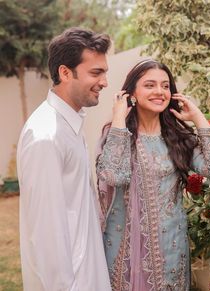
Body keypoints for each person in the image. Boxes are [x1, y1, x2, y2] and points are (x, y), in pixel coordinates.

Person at [96, 59, 210, 291]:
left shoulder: (177, 137)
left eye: (165, 85)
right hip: (124, 248)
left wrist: (198, 118)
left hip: (170, 246)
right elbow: (112, 175)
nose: (160, 91)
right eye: (150, 85)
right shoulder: (118, 134)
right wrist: (119, 117)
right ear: (132, 93)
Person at [17, 27, 112, 291]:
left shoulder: (69, 125)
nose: (104, 82)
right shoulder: (46, 135)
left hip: (89, 274)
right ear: (65, 72)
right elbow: (47, 237)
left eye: (104, 72)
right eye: (96, 72)